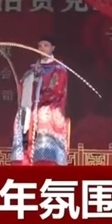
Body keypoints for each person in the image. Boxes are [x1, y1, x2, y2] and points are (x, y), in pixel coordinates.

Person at [10, 35, 69, 165]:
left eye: (46, 45)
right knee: (21, 116)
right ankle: (24, 160)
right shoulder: (33, 69)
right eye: (40, 46)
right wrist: (29, 80)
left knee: (44, 116)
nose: (42, 48)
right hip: (32, 106)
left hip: (50, 106)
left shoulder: (59, 69)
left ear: (53, 48)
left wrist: (39, 86)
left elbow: (56, 91)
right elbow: (23, 88)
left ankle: (46, 159)